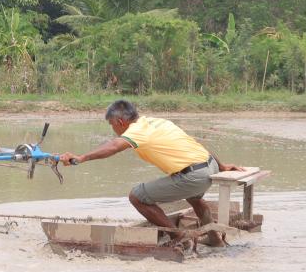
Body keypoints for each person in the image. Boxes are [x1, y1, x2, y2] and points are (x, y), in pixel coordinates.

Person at [57, 99, 244, 235]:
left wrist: (81, 158)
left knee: (137, 196)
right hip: (209, 167)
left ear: (120, 122)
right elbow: (194, 144)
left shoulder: (137, 131)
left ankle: (177, 236)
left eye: (112, 124)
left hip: (194, 177)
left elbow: (114, 146)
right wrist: (222, 166)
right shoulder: (157, 122)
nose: (113, 129)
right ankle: (214, 238)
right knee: (194, 198)